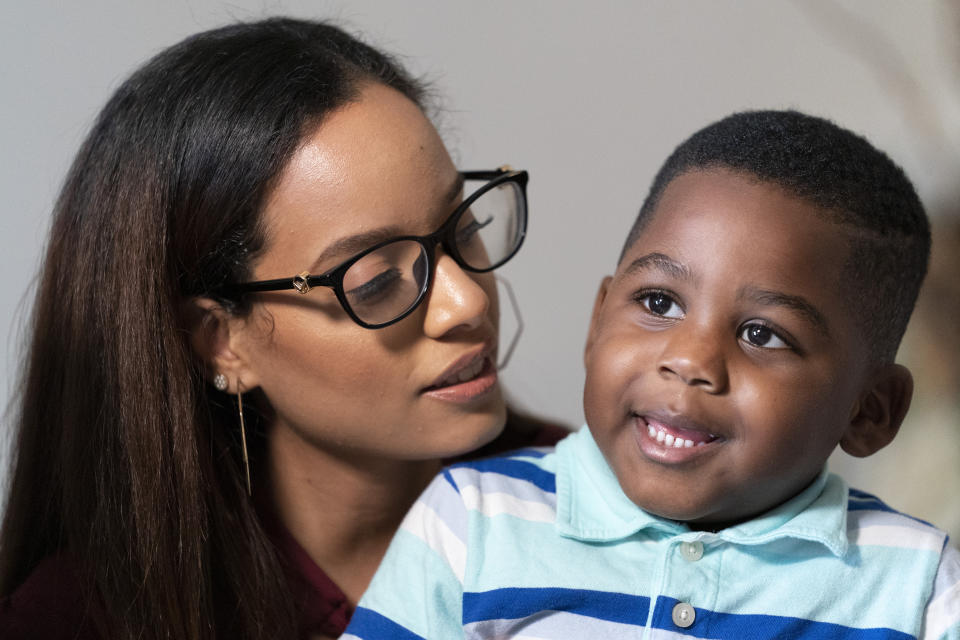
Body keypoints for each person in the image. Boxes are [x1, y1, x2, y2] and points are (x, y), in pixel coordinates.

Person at [0, 18, 566, 640]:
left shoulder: (614, 516)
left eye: (460, 228)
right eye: (375, 279)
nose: (465, 302)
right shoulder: (77, 620)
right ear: (222, 342)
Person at [342, 110, 960, 639]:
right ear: (597, 321)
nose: (689, 361)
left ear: (870, 409)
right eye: (659, 303)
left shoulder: (919, 588)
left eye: (761, 334)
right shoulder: (474, 523)